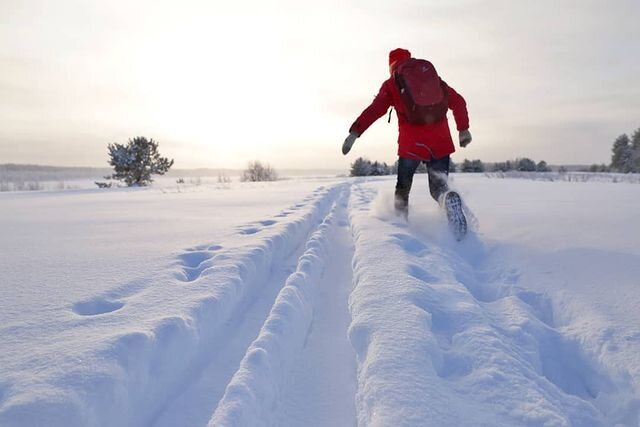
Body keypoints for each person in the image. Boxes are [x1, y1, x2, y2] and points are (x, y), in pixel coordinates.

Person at [342, 48, 472, 237]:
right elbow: (458, 101)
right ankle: (448, 198)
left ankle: (401, 226)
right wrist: (463, 129)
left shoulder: (391, 84)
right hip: (440, 141)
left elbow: (374, 110)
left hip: (412, 145)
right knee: (438, 188)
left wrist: (355, 132)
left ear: (391, 66)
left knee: (403, 187)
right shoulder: (431, 78)